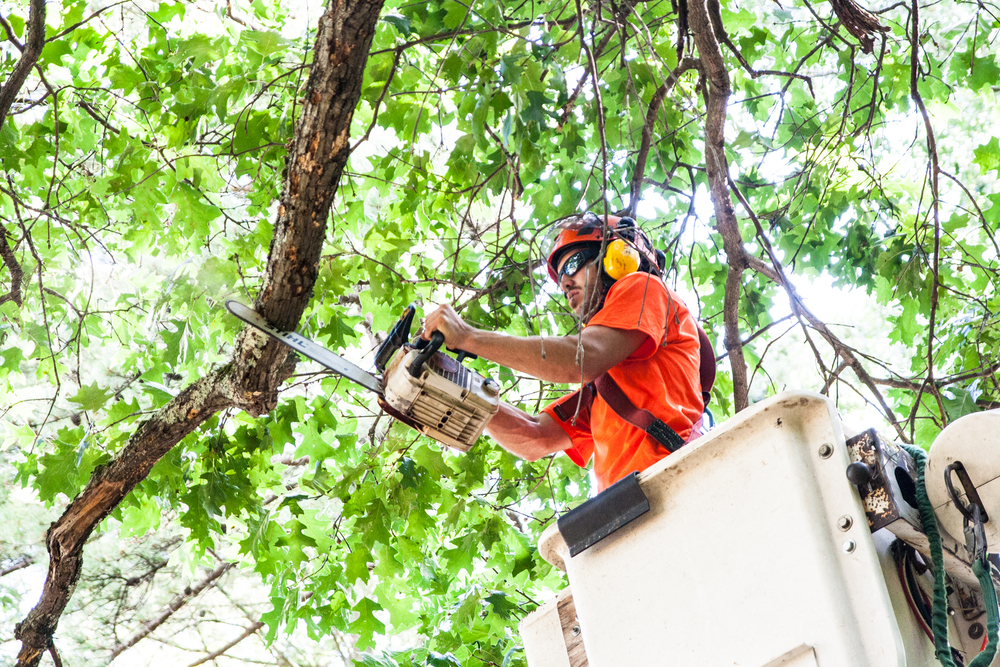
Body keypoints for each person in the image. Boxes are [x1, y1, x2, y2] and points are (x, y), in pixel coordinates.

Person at [422, 212, 706, 493]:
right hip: (628, 508)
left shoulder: (645, 288)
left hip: (673, 484)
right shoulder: (610, 380)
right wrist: (458, 387)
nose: (564, 283)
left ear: (617, 257)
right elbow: (535, 436)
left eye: (572, 264)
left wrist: (468, 337)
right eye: (559, 278)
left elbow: (580, 358)